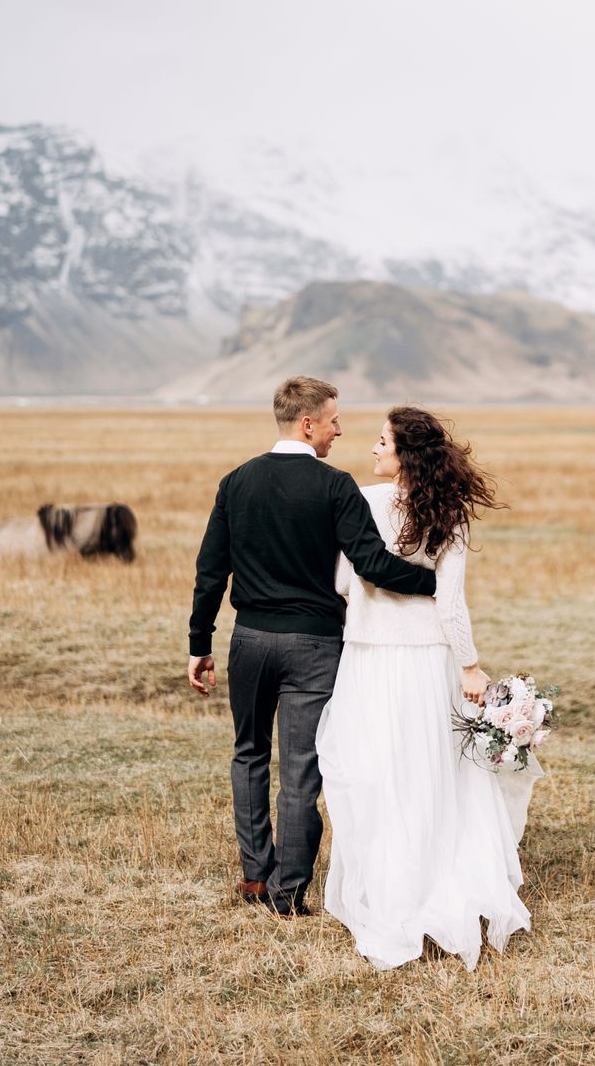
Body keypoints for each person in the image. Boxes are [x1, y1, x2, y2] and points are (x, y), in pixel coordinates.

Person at [187, 376, 438, 917]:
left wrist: (199, 642)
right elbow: (372, 565)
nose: (339, 429)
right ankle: (287, 893)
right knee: (302, 769)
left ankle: (256, 875)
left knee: (248, 753)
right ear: (307, 423)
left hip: (249, 641)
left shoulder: (235, 482)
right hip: (315, 647)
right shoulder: (334, 486)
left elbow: (211, 570)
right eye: (332, 419)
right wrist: (435, 583)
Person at [316, 406, 536, 969]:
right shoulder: (450, 515)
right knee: (433, 774)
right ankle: (438, 878)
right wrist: (469, 665)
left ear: (404, 453)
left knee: (377, 771)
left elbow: (345, 579)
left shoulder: (362, 501)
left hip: (369, 656)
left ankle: (391, 888)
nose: (370, 448)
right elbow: (451, 600)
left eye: (381, 441)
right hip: (426, 659)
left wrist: (370, 606)